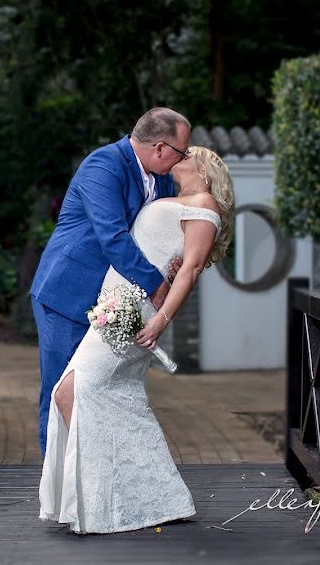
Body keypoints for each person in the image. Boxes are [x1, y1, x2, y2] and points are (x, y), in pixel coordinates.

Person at [38, 146, 235, 534]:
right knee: (117, 397)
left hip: (133, 306)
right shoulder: (171, 195)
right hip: (116, 299)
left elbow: (191, 268)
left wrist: (161, 319)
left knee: (71, 391)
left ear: (204, 170)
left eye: (189, 152)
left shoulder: (205, 203)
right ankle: (155, 496)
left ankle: (106, 495)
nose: (182, 153)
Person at [30, 107, 191, 458]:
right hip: (68, 294)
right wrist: (158, 285)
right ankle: (58, 487)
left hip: (115, 299)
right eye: (183, 151)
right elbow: (114, 237)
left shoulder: (162, 179)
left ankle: (100, 475)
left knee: (99, 387)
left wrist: (171, 263)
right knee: (61, 387)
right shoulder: (103, 166)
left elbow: (151, 234)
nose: (185, 159)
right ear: (161, 148)